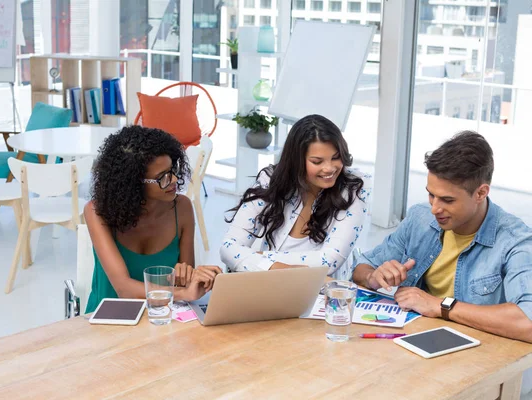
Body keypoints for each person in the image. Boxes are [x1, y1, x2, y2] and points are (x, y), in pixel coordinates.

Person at [353, 131, 532, 343]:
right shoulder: (419, 218)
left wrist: (440, 305)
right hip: (414, 345)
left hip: (478, 360)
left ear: (481, 193)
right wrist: (374, 278)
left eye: (447, 200)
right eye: (431, 194)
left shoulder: (514, 241)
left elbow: (527, 323)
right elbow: (361, 267)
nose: (435, 208)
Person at [84, 125, 221, 313]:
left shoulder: (182, 208)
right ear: (133, 184)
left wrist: (190, 276)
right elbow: (124, 289)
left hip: (162, 315)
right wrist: (182, 294)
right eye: (162, 177)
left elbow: (184, 279)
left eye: (172, 170)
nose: (173, 180)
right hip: (109, 318)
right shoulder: (97, 211)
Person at [220, 114, 372, 277]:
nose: (329, 168)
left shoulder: (354, 187)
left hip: (320, 294)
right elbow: (228, 248)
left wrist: (259, 259)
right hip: (268, 286)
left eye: (336, 158)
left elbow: (329, 261)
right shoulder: (271, 179)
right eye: (317, 161)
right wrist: (275, 268)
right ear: (296, 160)